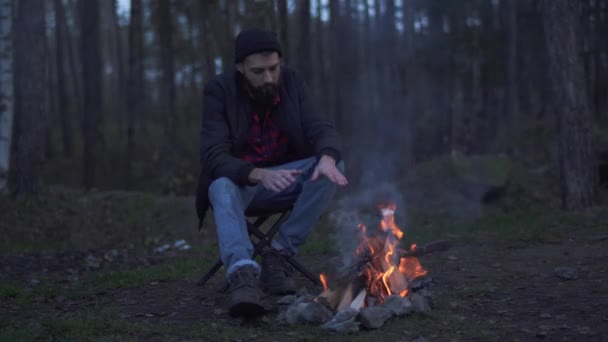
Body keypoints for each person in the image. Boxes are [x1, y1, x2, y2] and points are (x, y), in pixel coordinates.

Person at [195, 28, 347, 317]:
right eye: (258, 71)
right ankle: (242, 275)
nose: (268, 78)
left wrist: (327, 157)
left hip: (286, 181)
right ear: (240, 68)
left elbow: (321, 127)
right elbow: (213, 156)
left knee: (333, 165)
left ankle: (278, 254)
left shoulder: (291, 82)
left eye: (273, 69)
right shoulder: (219, 91)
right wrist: (257, 173)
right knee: (219, 184)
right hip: (242, 184)